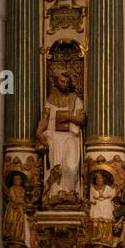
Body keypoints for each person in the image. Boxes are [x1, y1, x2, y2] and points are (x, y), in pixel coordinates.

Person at [36, 62, 86, 205]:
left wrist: (69, 117)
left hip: (71, 137)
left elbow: (81, 119)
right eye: (62, 81)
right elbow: (45, 119)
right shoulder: (50, 99)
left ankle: (70, 193)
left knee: (71, 166)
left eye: (67, 82)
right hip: (54, 137)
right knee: (56, 166)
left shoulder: (75, 99)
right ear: (57, 82)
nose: (64, 84)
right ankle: (55, 194)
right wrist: (39, 132)